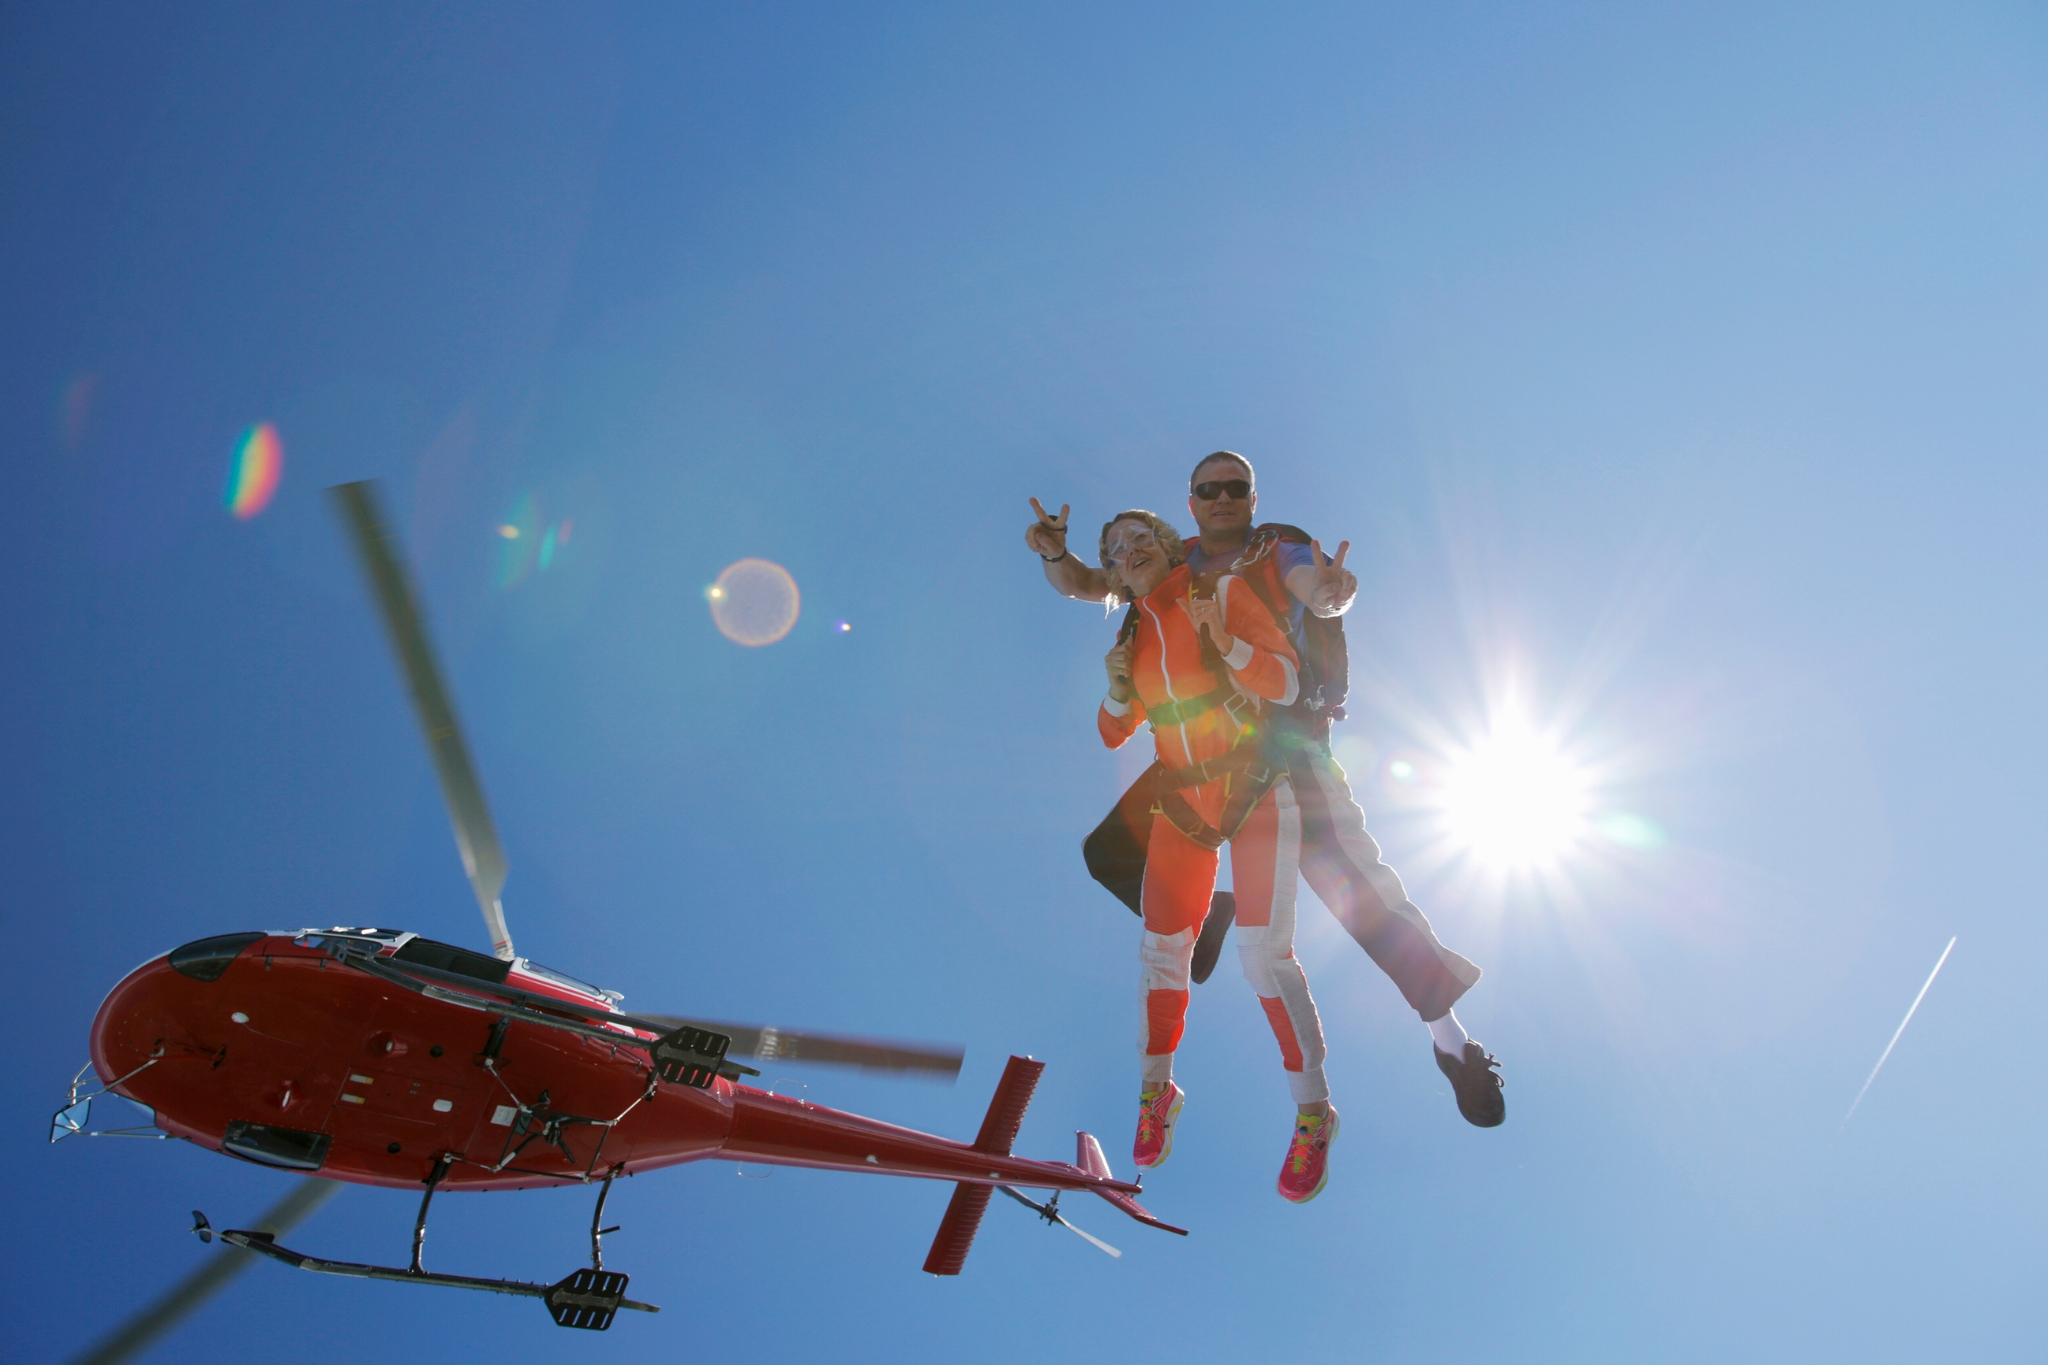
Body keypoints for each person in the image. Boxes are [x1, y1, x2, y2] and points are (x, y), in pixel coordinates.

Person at [1027, 451, 1506, 1128]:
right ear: (1189, 503)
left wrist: (1333, 592)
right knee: (1112, 851)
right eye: (1207, 489)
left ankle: (1451, 1039)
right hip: (1201, 755)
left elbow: (1319, 587)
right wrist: (1053, 553)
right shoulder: (1173, 556)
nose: (1222, 497)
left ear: (1253, 498)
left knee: (1352, 885)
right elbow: (1085, 582)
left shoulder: (1275, 547)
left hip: (1282, 742)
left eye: (1235, 488)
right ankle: (1211, 913)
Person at [1093, 508, 1338, 1202]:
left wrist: (1226, 643)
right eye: (1115, 550)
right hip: (1182, 803)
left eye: (1140, 538)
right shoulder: (1134, 630)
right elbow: (1115, 732)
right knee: (1159, 951)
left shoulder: (1222, 593)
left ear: (1169, 546)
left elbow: (1287, 682)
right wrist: (1116, 689)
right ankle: (1154, 1091)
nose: (1129, 550)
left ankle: (1314, 1109)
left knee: (1262, 954)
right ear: (1112, 572)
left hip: (1255, 782)